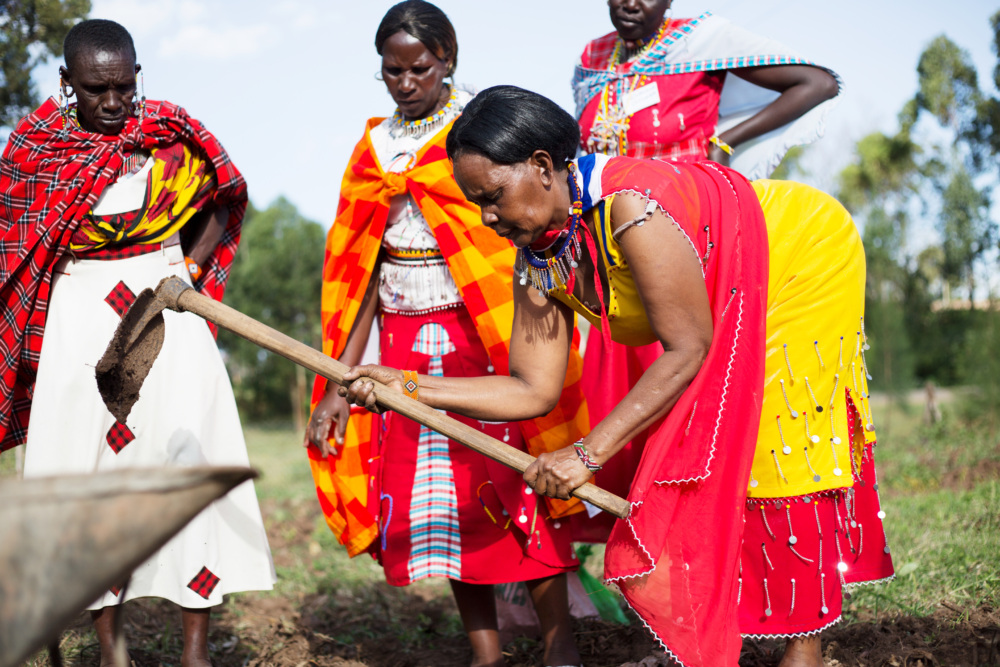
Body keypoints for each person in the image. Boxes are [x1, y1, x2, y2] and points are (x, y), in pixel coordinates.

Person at [337, 86, 893, 667]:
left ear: (543, 166)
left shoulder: (629, 206)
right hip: (719, 301)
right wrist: (405, 387)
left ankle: (802, 650)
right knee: (704, 451)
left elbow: (687, 348)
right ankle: (718, 630)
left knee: (776, 446)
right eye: (477, 202)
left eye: (494, 196)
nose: (487, 218)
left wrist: (587, 454)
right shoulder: (539, 258)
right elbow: (532, 389)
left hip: (795, 257)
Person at [572, 2, 893, 662]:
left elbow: (817, 82)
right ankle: (675, 625)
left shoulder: (702, 42)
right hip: (628, 268)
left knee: (774, 438)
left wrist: (727, 139)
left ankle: (803, 634)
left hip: (717, 250)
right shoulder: (590, 62)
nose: (632, 0)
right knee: (653, 455)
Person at [303, 4, 588, 667]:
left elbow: (504, 253)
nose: (406, 82)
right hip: (403, 341)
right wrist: (340, 384)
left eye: (419, 68)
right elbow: (360, 275)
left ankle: (560, 643)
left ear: (449, 59)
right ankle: (484, 652)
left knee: (512, 482)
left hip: (483, 339)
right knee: (446, 499)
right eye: (391, 71)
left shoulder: (478, 140)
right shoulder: (372, 150)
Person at [0, 19, 274, 667]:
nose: (115, 101)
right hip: (77, 316)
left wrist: (192, 271)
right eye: (98, 89)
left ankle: (196, 650)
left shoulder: (172, 132)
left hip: (170, 308)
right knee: (85, 467)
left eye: (125, 85)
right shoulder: (34, 151)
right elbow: (20, 248)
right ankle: (108, 646)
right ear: (67, 83)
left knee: (189, 450)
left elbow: (225, 195)